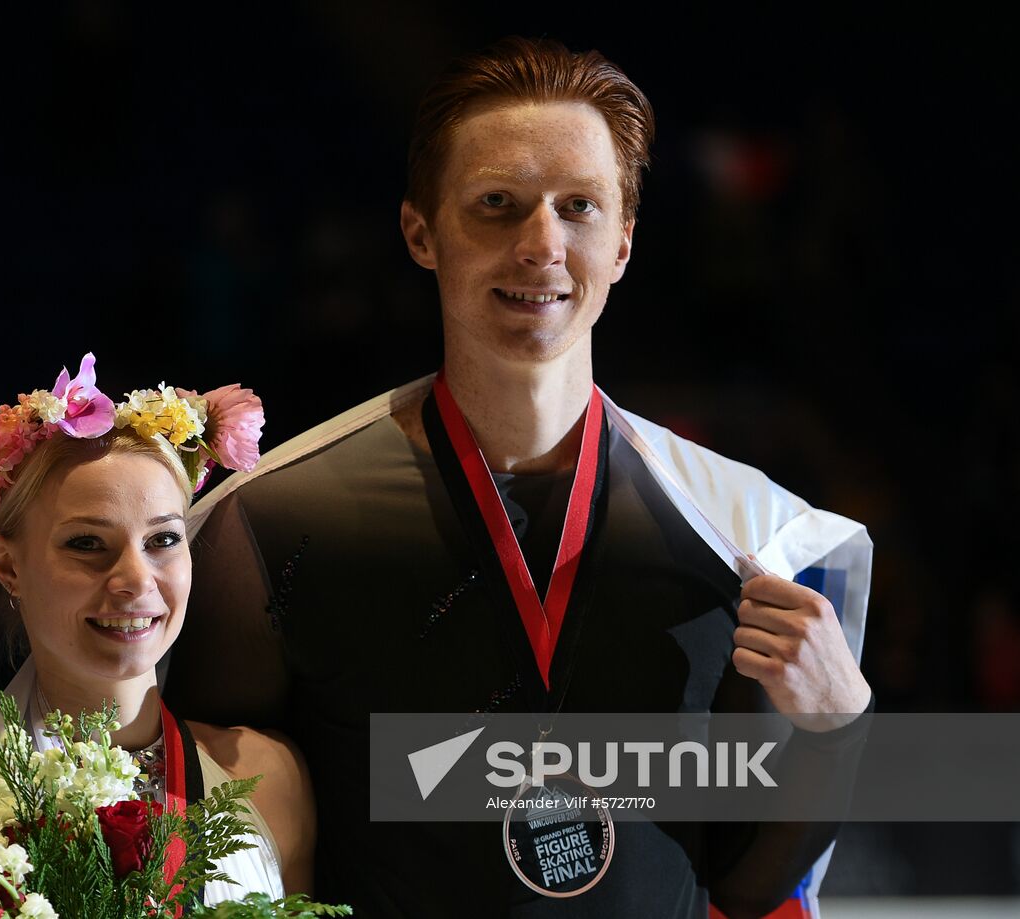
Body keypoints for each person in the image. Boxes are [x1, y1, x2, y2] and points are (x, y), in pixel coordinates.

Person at [164, 37, 873, 918]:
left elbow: (746, 882)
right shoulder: (273, 524)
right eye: (497, 204)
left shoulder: (741, 533)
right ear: (421, 231)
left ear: (622, 242)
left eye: (578, 206)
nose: (541, 244)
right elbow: (196, 852)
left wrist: (837, 734)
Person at [0, 355, 315, 907]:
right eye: (86, 543)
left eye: (163, 541)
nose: (136, 580)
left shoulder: (269, 778)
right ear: (8, 565)